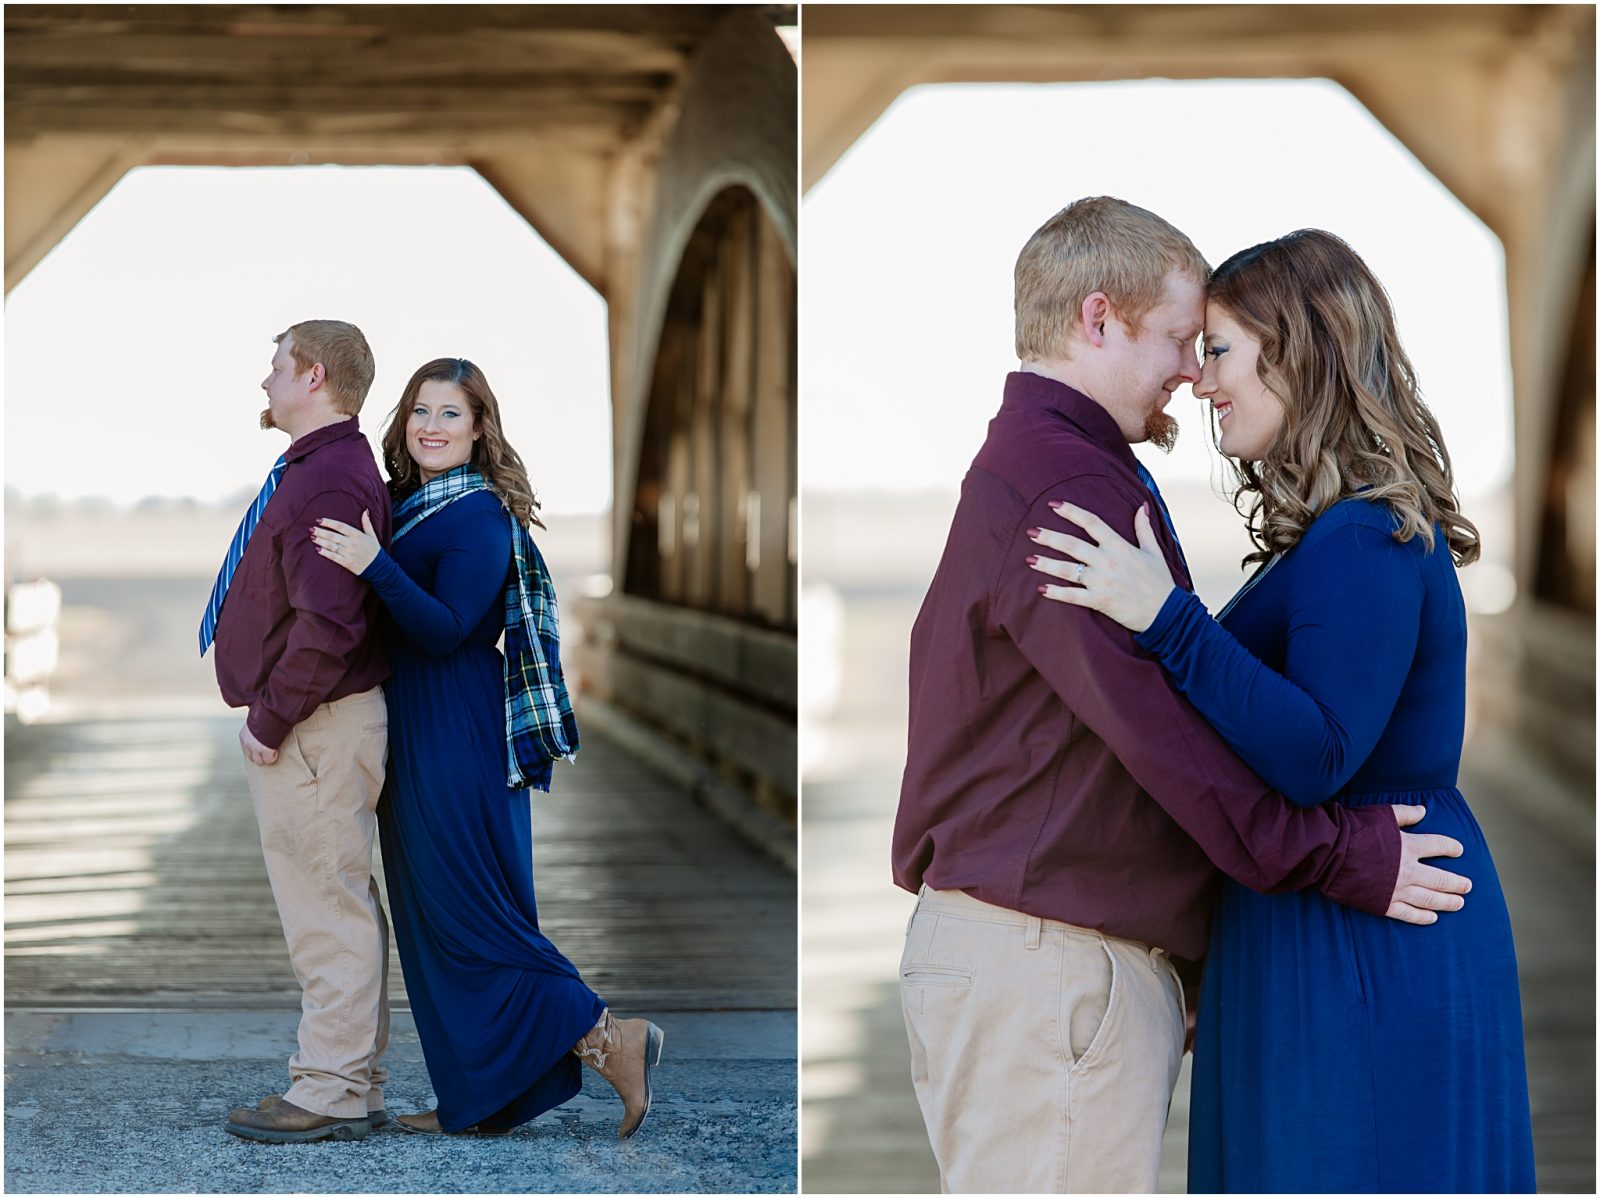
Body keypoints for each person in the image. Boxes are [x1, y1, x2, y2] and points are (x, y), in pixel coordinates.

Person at [890, 197, 1477, 1194]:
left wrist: (1199, 944)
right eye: (1178, 338)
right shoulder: (1063, 493)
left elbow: (1157, 735)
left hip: (1047, 963)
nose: (1190, 375)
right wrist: (1341, 854)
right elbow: (1165, 741)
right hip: (1049, 968)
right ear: (1097, 318)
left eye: (1213, 350)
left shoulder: (1058, 471)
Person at [1028, 228, 1536, 1192]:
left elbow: (1317, 754)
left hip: (1366, 944)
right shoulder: (1337, 539)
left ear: (1297, 352)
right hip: (1324, 925)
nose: (1201, 380)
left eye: (1218, 349)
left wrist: (1166, 619)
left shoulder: (1366, 538)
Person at [309, 357, 664, 1139]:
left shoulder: (478, 517)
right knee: (432, 921)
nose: (432, 428)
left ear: (479, 430)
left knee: (473, 918)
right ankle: (480, 1099)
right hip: (414, 729)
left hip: (457, 732)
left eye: (451, 415)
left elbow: (447, 629)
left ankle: (609, 1038)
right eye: (421, 412)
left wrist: (374, 566)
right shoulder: (404, 506)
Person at [204, 319, 395, 1143]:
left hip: (313, 727)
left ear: (313, 375)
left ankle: (328, 1091)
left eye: (275, 367)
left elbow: (330, 625)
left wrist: (271, 718)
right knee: (334, 899)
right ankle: (349, 1083)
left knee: (325, 905)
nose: (265, 383)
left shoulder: (326, 481)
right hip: (317, 726)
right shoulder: (323, 470)